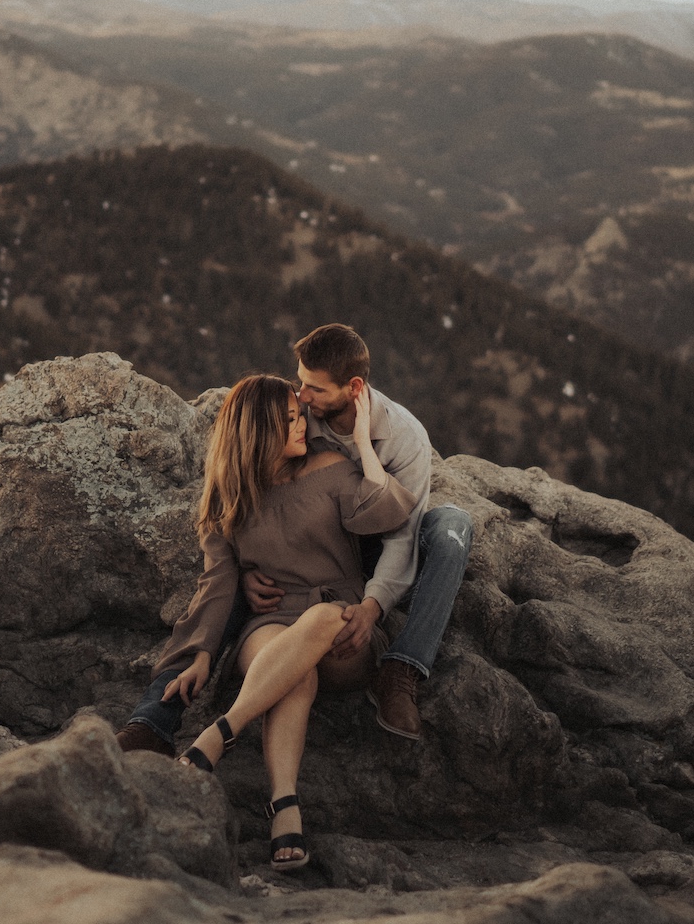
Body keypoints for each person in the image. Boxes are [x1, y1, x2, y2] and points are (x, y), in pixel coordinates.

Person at [117, 324, 474, 750]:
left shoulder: (405, 438)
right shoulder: (302, 414)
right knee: (226, 589)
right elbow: (262, 466)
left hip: (377, 543)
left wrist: (372, 606)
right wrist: (247, 567)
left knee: (453, 527)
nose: (301, 397)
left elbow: (400, 534)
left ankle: (401, 670)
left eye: (314, 389)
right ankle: (153, 721)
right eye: (299, 382)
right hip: (311, 550)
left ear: (353, 388)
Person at [152, 373, 415, 871]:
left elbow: (389, 514)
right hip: (270, 623)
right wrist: (202, 654)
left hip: (342, 624)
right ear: (258, 430)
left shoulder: (331, 467)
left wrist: (363, 442)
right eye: (291, 419)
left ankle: (221, 732)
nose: (304, 425)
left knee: (321, 620)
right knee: (296, 671)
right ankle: (285, 805)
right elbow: (218, 581)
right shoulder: (229, 495)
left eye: (300, 415)